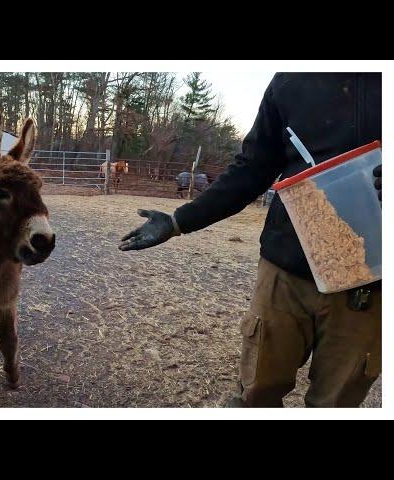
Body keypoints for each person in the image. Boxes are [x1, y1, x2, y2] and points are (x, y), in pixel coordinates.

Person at [119, 73, 382, 408]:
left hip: (371, 280)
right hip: (284, 272)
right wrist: (178, 221)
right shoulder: (291, 81)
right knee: (256, 394)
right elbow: (252, 169)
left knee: (337, 403)